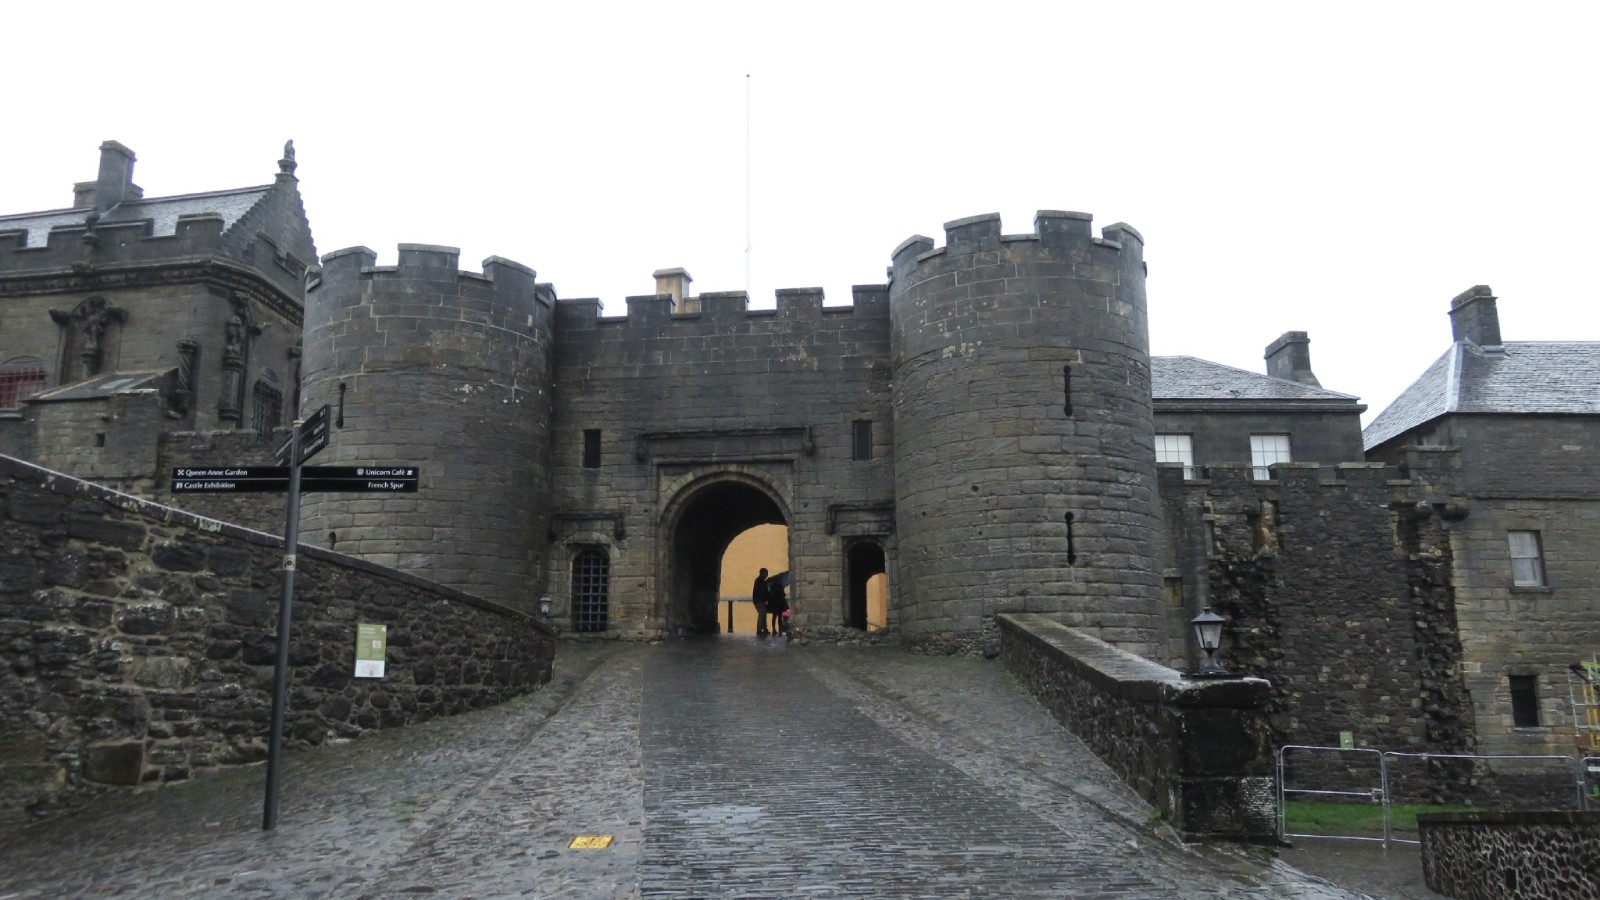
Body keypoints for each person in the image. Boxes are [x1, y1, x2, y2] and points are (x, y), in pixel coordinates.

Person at [752, 568, 770, 636]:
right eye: (766, 573)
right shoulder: (761, 581)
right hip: (760, 600)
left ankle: (764, 628)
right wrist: (768, 594)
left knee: (763, 614)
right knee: (762, 615)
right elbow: (762, 591)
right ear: (762, 573)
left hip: (758, 600)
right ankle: (759, 629)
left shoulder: (759, 580)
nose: (767, 575)